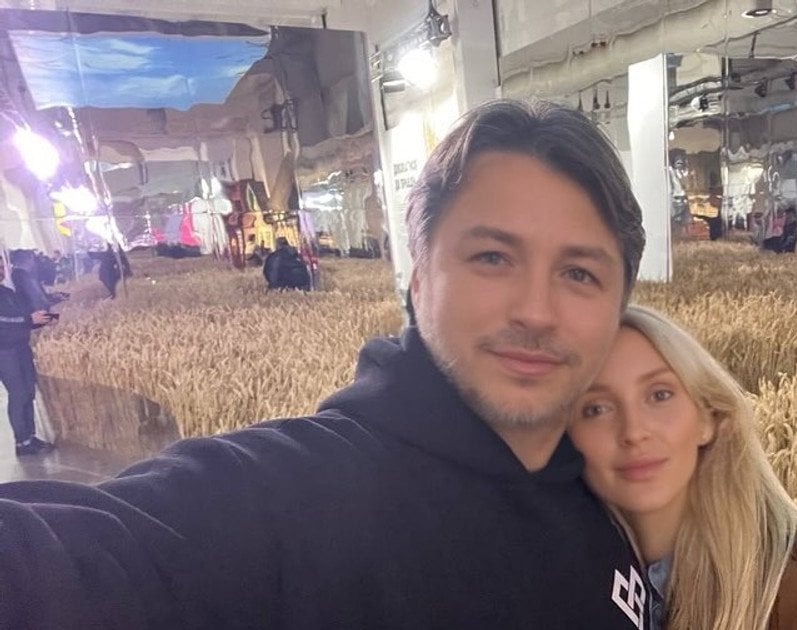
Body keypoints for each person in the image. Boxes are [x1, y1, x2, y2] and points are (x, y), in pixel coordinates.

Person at [0, 100, 651, 629]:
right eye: (492, 258)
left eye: (579, 272)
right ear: (418, 278)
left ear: (620, 303)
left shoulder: (623, 489)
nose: (536, 311)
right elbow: (76, 565)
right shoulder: (288, 500)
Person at [568, 305, 797, 630]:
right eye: (596, 408)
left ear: (708, 418)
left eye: (660, 395)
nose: (633, 431)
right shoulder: (561, 577)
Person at [0, 262, 56, 456]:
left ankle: (30, 437)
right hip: (5, 353)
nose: (1, 271)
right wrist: (28, 320)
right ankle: (22, 443)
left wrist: (42, 320)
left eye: (1, 267)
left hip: (21, 348)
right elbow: (5, 321)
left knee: (29, 393)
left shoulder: (7, 293)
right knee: (19, 394)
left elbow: (23, 316)